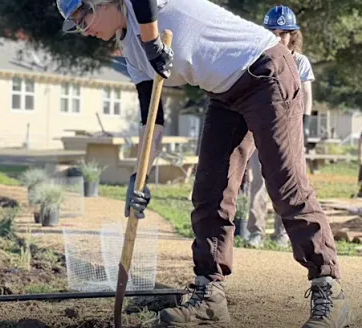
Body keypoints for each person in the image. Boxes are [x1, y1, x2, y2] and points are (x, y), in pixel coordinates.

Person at [57, 0, 350, 327]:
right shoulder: (131, 52)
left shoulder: (150, 5)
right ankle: (209, 296)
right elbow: (152, 119)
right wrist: (138, 176)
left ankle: (329, 288)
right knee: (210, 192)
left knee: (285, 183)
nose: (84, 29)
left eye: (83, 17)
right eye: (76, 25)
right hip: (225, 94)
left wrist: (153, 42)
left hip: (265, 70)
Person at [245, 5, 315, 249]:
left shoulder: (300, 61)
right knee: (257, 181)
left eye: (283, 32)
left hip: (290, 128)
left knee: (289, 180)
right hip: (260, 127)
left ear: (292, 35)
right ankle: (255, 231)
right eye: (273, 31)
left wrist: (303, 126)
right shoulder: (258, 57)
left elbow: (306, 93)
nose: (278, 36)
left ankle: (284, 233)